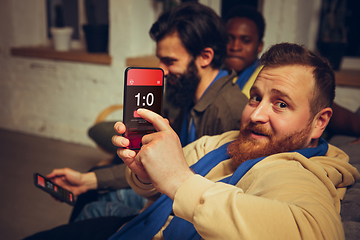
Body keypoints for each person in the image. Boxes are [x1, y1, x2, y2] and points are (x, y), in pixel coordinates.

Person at [25, 43, 359, 240]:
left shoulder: (297, 170)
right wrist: (143, 171)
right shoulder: (227, 140)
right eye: (255, 97)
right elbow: (153, 181)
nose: (256, 114)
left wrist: (180, 181)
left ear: (319, 122)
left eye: (281, 104)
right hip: (142, 225)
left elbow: (318, 232)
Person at [46, 2, 248, 223]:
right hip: (158, 189)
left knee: (92, 211)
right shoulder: (181, 92)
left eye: (170, 61)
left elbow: (220, 199)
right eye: (160, 59)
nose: (161, 69)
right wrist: (88, 180)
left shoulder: (231, 112)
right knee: (90, 191)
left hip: (182, 210)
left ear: (205, 57)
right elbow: (152, 163)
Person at [223, 4, 360, 142]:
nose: (235, 47)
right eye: (229, 39)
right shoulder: (220, 76)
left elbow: (325, 107)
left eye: (245, 40)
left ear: (259, 46)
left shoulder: (273, 73)